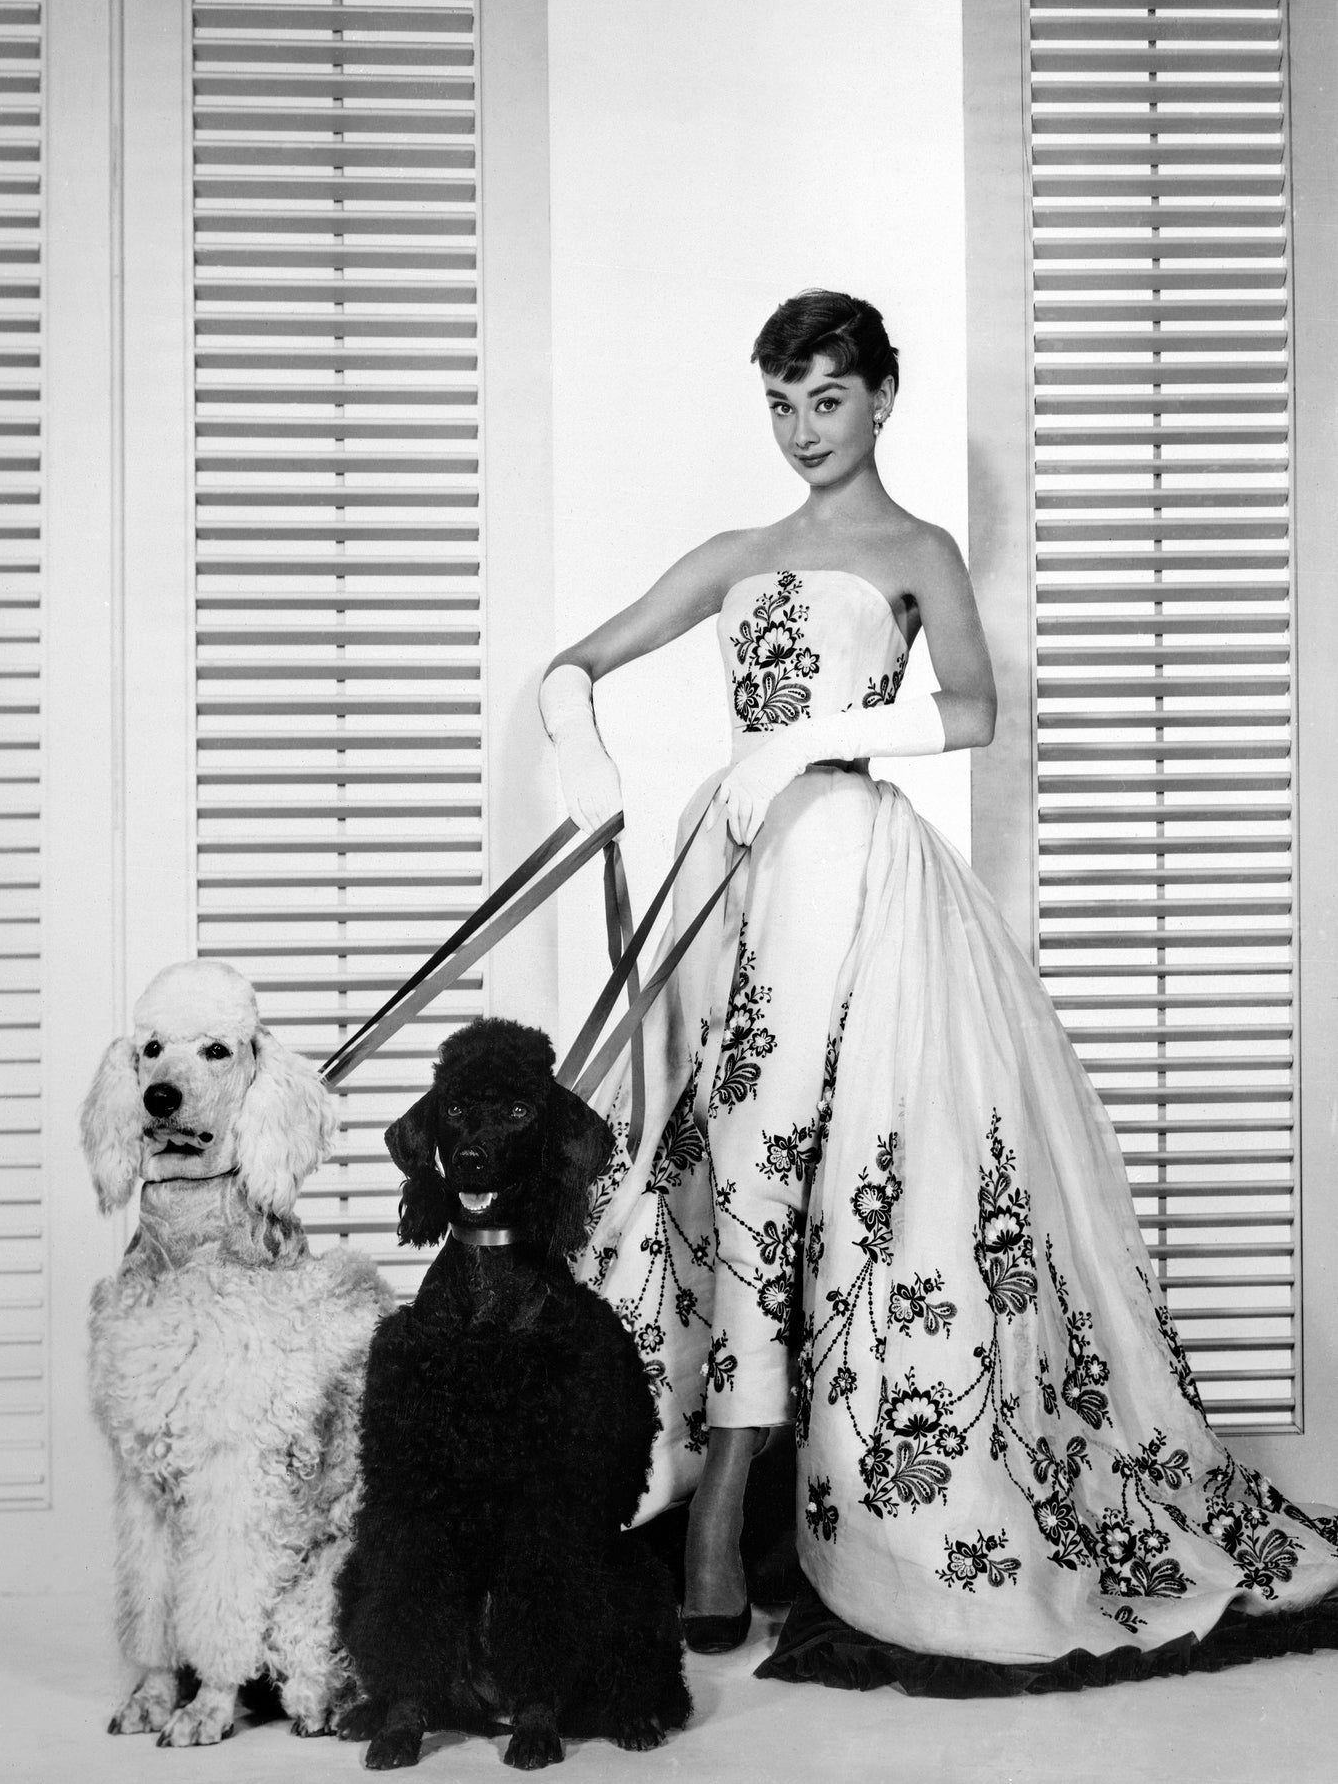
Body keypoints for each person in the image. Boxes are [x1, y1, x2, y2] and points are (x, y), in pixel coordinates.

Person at [537, 290, 1338, 1691]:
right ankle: (712, 1492)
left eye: (827, 398)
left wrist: (813, 742)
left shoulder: (916, 550)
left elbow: (969, 711)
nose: (802, 429)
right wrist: (584, 747)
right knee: (727, 1166)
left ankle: (737, 1512)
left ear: (882, 397)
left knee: (830, 1177)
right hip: (734, 868)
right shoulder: (738, 553)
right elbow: (576, 661)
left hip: (850, 862)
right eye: (780, 402)